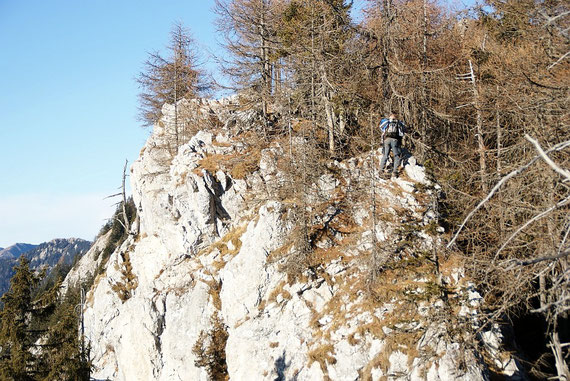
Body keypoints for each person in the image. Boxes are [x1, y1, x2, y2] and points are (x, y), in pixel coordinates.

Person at [379, 113, 406, 178]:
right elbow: (402, 133)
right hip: (395, 141)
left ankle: (381, 170)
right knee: (396, 156)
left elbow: (381, 128)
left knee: (385, 155)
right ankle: (395, 172)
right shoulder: (398, 123)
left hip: (387, 140)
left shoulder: (386, 122)